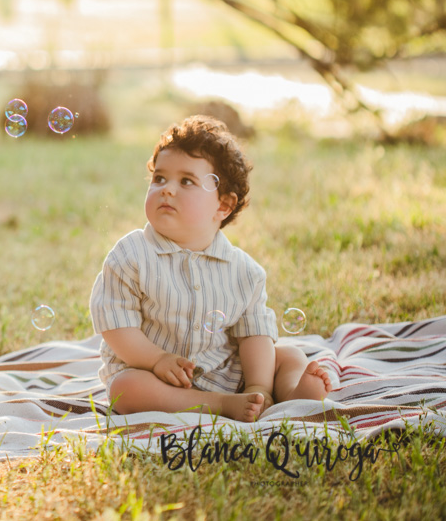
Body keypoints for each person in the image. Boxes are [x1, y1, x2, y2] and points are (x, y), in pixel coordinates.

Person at [89, 115, 331, 422]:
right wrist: (157, 360)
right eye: (159, 179)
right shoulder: (131, 254)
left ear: (223, 206)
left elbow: (254, 335)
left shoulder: (244, 271)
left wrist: (257, 385)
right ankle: (215, 405)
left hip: (224, 371)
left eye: (186, 181)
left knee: (287, 355)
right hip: (151, 374)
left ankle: (284, 396)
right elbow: (115, 324)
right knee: (124, 389)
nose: (167, 190)